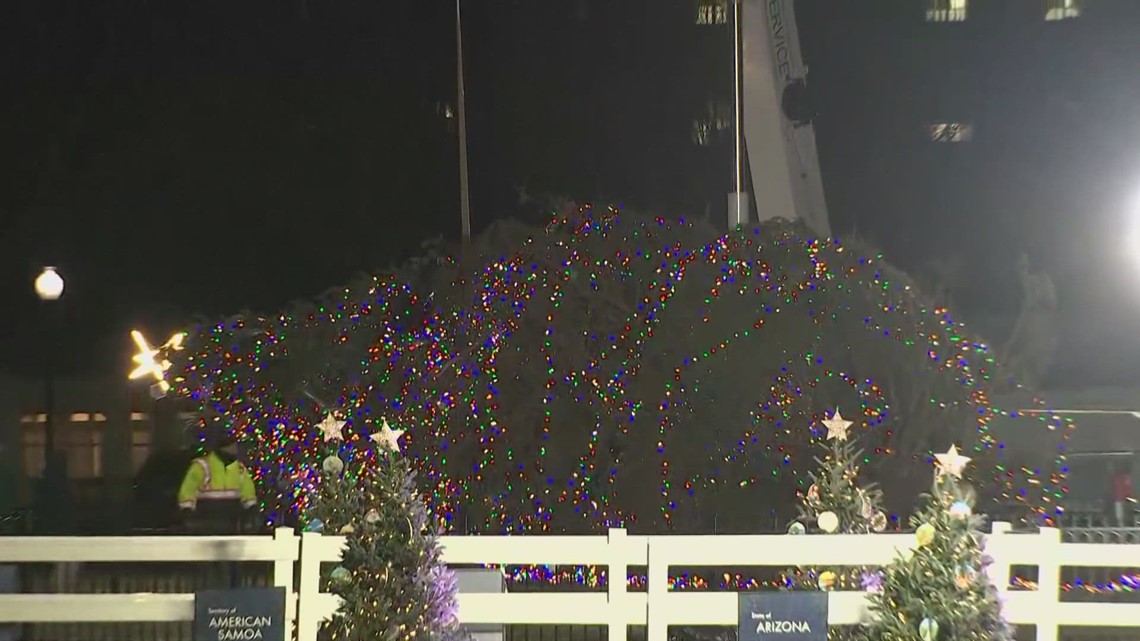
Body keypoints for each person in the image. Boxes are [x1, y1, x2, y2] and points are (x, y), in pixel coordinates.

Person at [177, 427, 258, 534]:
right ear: (221, 448)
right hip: (206, 518)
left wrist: (251, 507)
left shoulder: (239, 468)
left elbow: (248, 490)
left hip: (231, 519)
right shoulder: (202, 466)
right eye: (231, 446)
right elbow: (188, 489)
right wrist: (187, 509)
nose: (234, 449)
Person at [1110, 460, 1134, 527]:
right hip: (1120, 499)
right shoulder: (1120, 477)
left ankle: (1123, 528)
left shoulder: (1122, 477)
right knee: (1121, 517)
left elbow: (1128, 490)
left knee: (1122, 516)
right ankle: (1122, 529)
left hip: (1121, 499)